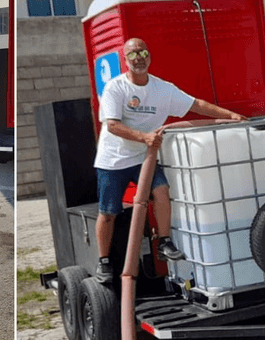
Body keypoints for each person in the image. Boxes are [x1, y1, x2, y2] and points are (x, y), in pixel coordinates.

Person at [93, 37, 248, 283]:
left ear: (150, 56)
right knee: (109, 212)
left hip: (145, 156)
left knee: (162, 190)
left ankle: (163, 243)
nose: (138, 58)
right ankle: (104, 261)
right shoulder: (116, 88)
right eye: (132, 55)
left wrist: (229, 115)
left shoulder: (162, 89)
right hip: (114, 160)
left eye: (142, 52)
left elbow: (195, 104)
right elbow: (112, 125)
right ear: (125, 60)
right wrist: (143, 136)